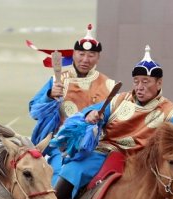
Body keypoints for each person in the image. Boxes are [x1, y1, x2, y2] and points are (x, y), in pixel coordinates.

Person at [22, 45, 173, 199]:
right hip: (105, 153)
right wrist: (91, 117)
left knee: (164, 177)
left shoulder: (169, 110)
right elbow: (93, 112)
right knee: (76, 167)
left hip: (138, 163)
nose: (140, 87)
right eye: (137, 81)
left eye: (146, 82)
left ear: (159, 83)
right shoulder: (120, 99)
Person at [28, 24, 116, 184]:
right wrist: (49, 97)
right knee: (58, 179)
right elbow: (34, 112)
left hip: (95, 148)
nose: (85, 59)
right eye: (81, 54)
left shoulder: (109, 85)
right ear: (74, 54)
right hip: (61, 147)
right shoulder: (58, 80)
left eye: (91, 55)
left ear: (98, 57)